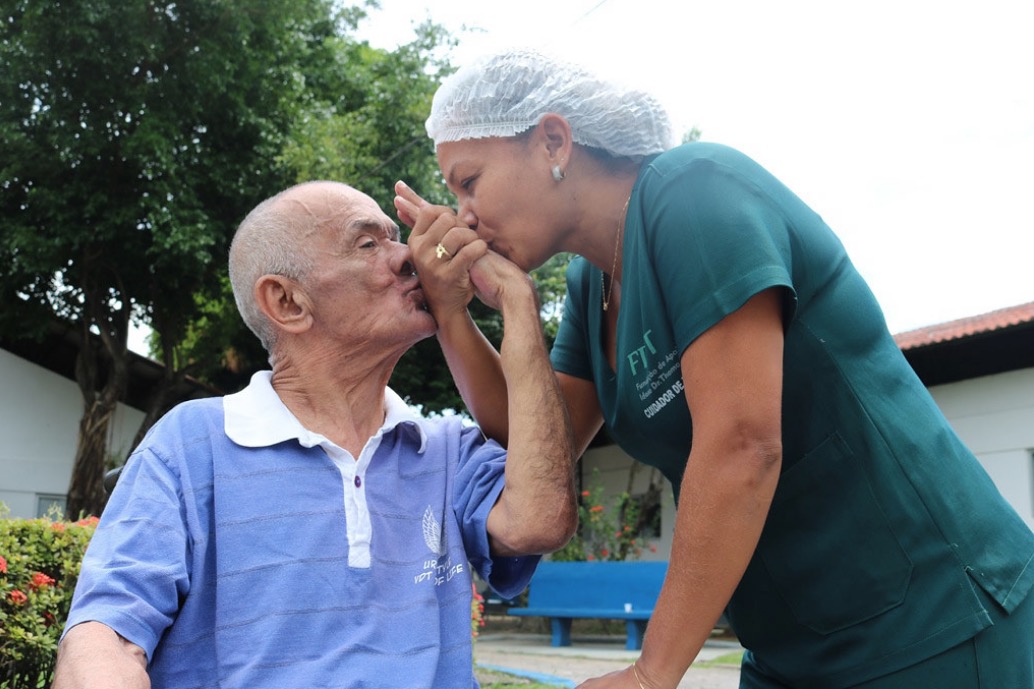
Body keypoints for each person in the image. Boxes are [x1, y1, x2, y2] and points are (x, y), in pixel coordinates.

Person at [393, 48, 1034, 689]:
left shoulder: (693, 191)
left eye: (469, 181)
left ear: (554, 141)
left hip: (932, 623)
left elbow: (743, 445)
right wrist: (465, 313)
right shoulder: (594, 284)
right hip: (790, 646)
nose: (463, 215)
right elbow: (530, 437)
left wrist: (652, 674)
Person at [52, 180, 578, 689]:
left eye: (395, 238)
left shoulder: (445, 449)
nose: (407, 257)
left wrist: (517, 304)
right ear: (287, 302)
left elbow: (540, 521)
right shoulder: (193, 445)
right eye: (369, 243)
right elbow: (106, 636)